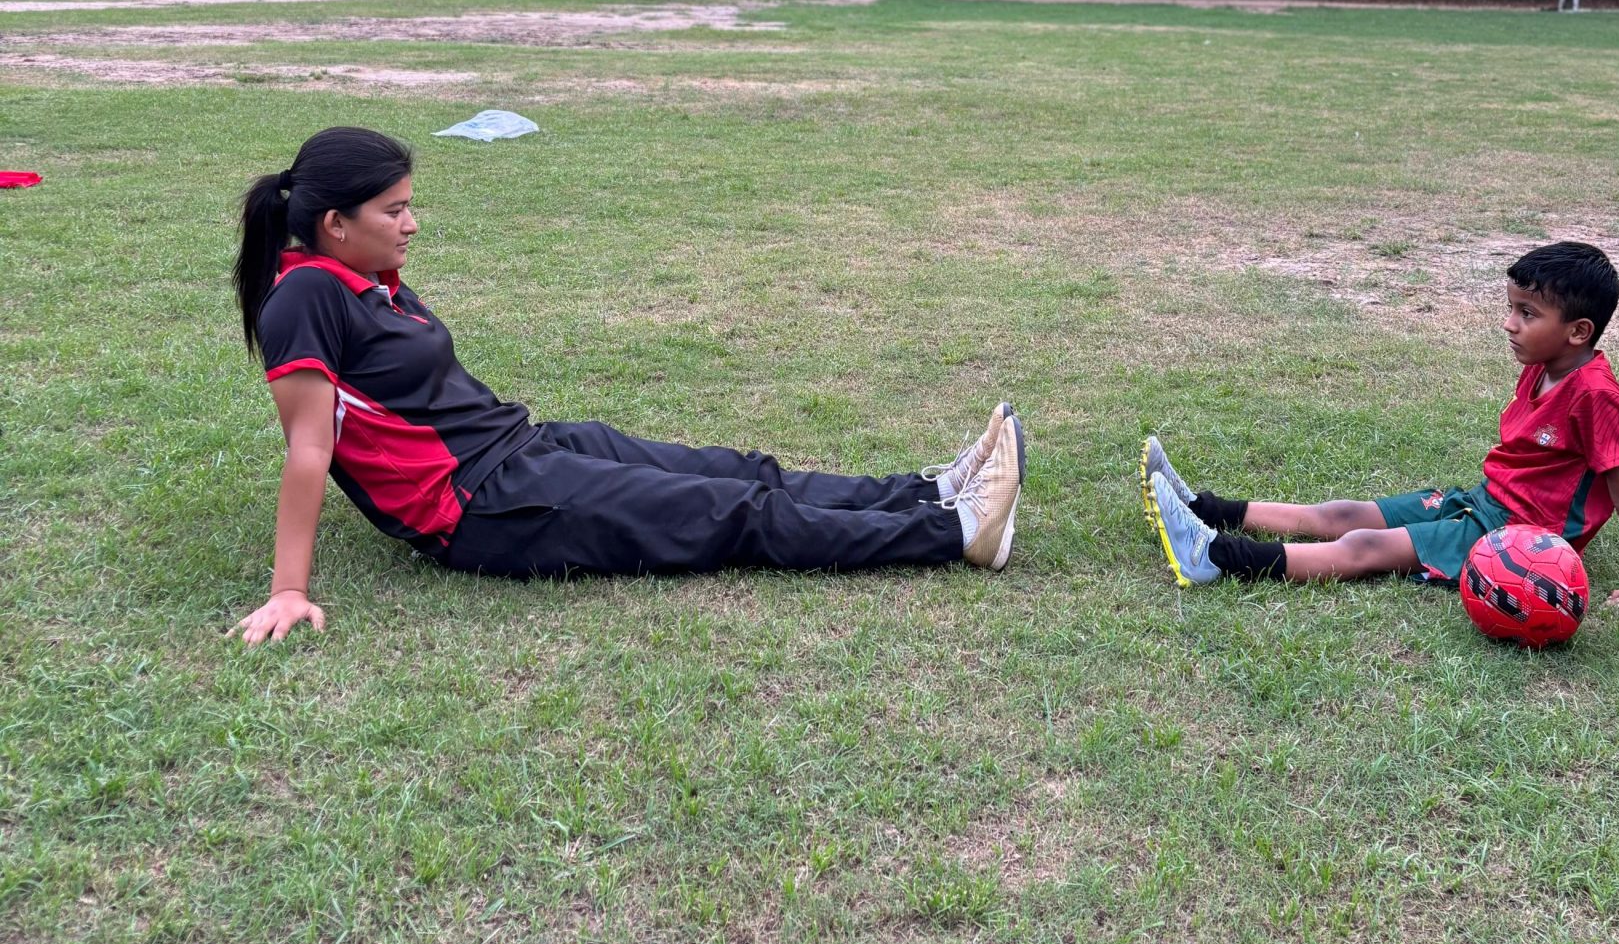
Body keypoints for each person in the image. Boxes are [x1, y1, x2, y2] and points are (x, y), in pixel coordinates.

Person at [229, 126, 1024, 648]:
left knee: (738, 471)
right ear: (335, 223)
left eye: (410, 206)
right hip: (481, 508)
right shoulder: (304, 297)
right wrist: (288, 591)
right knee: (732, 517)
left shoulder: (370, 278)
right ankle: (956, 535)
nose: (412, 224)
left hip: (526, 448)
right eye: (394, 210)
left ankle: (929, 492)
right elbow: (309, 448)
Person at [1140, 241, 1619, 612]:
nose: (1509, 323)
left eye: (1527, 313)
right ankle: (1202, 509)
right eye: (1510, 308)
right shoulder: (1543, 368)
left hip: (1514, 540)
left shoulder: (1597, 395)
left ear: (1578, 331)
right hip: (1480, 503)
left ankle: (1214, 556)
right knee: (1344, 512)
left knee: (1365, 546)